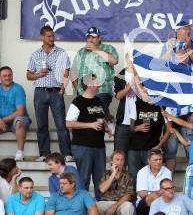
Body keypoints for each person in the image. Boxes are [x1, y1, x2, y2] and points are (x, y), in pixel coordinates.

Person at [26, 25, 72, 162]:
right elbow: (28, 75)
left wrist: (63, 88)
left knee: (61, 125)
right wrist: (40, 73)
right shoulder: (35, 54)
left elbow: (66, 72)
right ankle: (44, 153)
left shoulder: (61, 52)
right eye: (49, 36)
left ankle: (66, 153)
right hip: (40, 92)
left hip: (56, 92)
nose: (52, 38)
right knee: (41, 125)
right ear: (42, 37)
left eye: (53, 36)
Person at [66, 74, 108, 199]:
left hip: (99, 145)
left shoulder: (98, 101)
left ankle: (100, 207)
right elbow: (68, 123)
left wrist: (107, 128)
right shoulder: (78, 101)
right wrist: (91, 125)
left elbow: (101, 120)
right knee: (83, 178)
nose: (99, 84)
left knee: (101, 179)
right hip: (83, 146)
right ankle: (82, 208)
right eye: (96, 82)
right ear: (89, 84)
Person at [163, 49, 193, 174]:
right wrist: (167, 123)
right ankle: (168, 184)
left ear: (187, 59)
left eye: (183, 57)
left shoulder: (192, 75)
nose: (180, 59)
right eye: (177, 57)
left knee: (191, 152)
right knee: (170, 154)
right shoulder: (167, 76)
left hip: (188, 118)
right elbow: (162, 100)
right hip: (171, 119)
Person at [71, 27, 118, 121]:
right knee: (82, 117)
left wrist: (96, 49)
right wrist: (78, 89)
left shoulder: (109, 48)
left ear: (99, 38)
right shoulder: (81, 51)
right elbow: (73, 72)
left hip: (102, 90)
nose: (90, 39)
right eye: (88, 37)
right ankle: (107, 119)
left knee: (95, 115)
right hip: (83, 92)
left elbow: (114, 61)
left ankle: (106, 120)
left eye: (93, 37)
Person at [0, 66, 31, 161]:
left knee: (19, 120)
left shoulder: (18, 89)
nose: (7, 78)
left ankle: (20, 153)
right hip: (2, 122)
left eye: (9, 75)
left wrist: (2, 120)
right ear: (0, 78)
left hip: (16, 121)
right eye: (4, 76)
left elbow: (20, 112)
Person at [97, 150, 134, 215]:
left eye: (122, 160)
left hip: (121, 203)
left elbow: (128, 196)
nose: (120, 162)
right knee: (95, 206)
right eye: (117, 159)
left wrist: (114, 206)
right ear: (112, 161)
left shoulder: (129, 176)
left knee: (129, 206)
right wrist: (113, 173)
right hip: (106, 202)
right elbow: (102, 189)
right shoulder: (105, 174)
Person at [136, 150, 172, 215]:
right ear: (149, 161)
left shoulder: (167, 172)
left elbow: (168, 191)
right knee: (154, 196)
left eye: (160, 159)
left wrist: (150, 193)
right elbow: (142, 194)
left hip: (162, 202)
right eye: (155, 160)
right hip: (144, 204)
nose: (158, 162)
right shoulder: (142, 172)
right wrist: (157, 193)